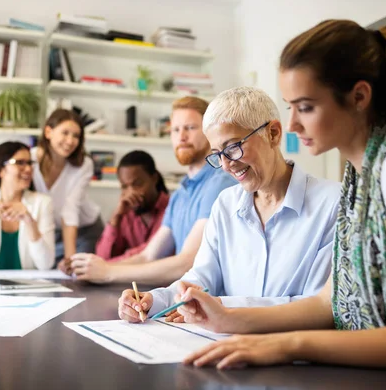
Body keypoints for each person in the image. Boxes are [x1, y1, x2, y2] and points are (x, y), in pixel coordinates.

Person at [171, 20, 386, 370]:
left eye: (305, 107)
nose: (291, 124)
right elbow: (330, 303)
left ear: (358, 97)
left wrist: (288, 345)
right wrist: (226, 319)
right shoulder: (359, 178)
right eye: (290, 106)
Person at [118, 87, 341, 323]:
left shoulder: (332, 204)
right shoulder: (226, 203)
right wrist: (153, 300)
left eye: (233, 147)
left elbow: (319, 306)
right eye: (217, 154)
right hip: (226, 345)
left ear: (273, 133)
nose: (226, 165)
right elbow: (202, 278)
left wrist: (226, 306)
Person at [70, 96, 236, 285]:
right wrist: (96, 269)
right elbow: (149, 255)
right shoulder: (181, 192)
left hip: (216, 302)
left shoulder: (220, 181)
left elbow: (188, 262)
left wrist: (109, 272)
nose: (181, 136)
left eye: (190, 128)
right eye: (175, 130)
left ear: (209, 131)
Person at [31, 108, 103, 270]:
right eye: (65, 133)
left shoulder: (84, 164)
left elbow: (70, 210)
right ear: (48, 132)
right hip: (52, 230)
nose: (70, 141)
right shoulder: (30, 159)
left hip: (85, 229)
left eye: (76, 136)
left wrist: (70, 258)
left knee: (77, 273)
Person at [0, 141, 55, 270]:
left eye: (30, 163)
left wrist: (30, 222)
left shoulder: (43, 203)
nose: (28, 169)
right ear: (1, 170)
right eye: (20, 163)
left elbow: (45, 264)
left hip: (28, 287)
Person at [95, 150, 170, 261]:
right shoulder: (125, 213)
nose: (131, 193)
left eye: (137, 184)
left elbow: (152, 253)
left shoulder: (172, 209)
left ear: (154, 178)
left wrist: (107, 266)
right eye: (125, 186)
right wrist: (115, 218)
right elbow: (102, 257)